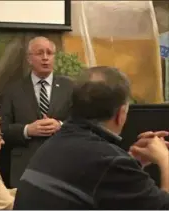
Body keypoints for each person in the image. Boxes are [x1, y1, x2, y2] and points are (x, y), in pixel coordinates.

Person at [13, 66, 169, 210]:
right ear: (120, 114)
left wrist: (133, 162)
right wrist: (165, 159)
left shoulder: (54, 143)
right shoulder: (108, 162)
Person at [0, 36, 74, 187]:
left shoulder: (70, 87)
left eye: (50, 53)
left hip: (63, 164)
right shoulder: (13, 90)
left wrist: (60, 125)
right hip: (25, 166)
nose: (45, 58)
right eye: (40, 53)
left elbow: (83, 122)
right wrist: (27, 130)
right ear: (29, 58)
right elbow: (2, 129)